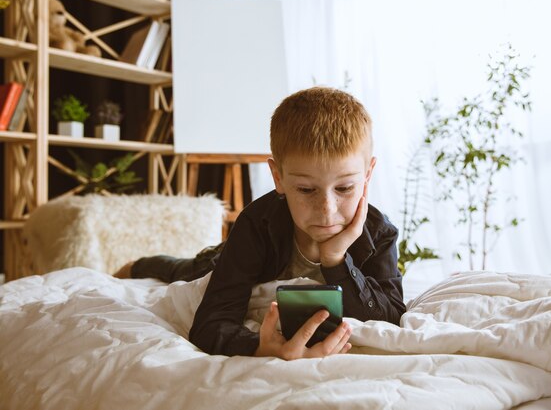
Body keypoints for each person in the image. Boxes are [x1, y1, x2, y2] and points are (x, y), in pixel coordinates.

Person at [116, 87, 406, 359]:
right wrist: (259, 347)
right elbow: (211, 323)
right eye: (306, 189)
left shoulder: (380, 233)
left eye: (344, 188)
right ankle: (141, 264)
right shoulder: (255, 224)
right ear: (278, 177)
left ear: (367, 174)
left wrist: (335, 259)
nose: (327, 211)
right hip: (227, 256)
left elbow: (391, 315)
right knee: (192, 268)